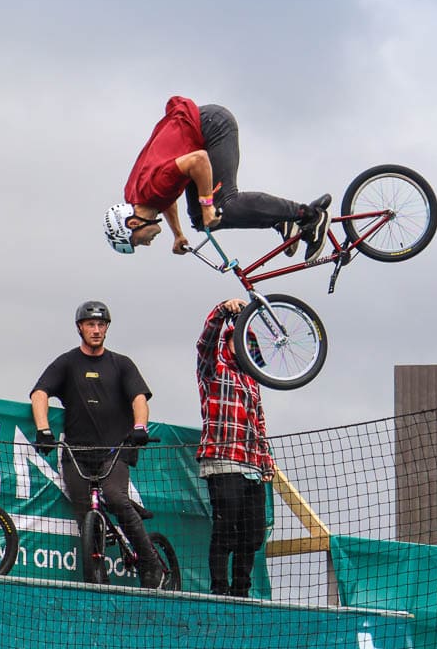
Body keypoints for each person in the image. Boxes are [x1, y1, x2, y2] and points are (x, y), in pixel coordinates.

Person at [29, 300, 163, 589]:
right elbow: (39, 393)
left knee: (115, 497)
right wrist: (44, 430)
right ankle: (96, 576)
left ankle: (150, 561)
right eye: (91, 324)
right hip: (76, 454)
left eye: (101, 325)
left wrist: (140, 427)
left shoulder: (121, 364)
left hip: (115, 451)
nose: (96, 329)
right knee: (85, 516)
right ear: (80, 327)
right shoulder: (67, 362)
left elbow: (139, 398)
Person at [103, 95, 332, 261]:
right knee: (202, 221)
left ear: (133, 224)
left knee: (224, 204)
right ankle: (282, 218)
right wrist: (178, 234)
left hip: (212, 127)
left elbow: (199, 160)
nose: (144, 244)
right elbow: (168, 197)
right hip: (198, 135)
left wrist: (207, 205)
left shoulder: (152, 187)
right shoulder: (142, 197)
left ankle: (310, 216)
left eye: (136, 241)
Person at [195, 298, 276, 597]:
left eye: (245, 343)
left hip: (252, 465)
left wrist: (266, 460)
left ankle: (241, 590)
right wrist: (222, 310)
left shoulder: (253, 382)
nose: (240, 347)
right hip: (223, 460)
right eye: (235, 341)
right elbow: (205, 343)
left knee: (253, 533)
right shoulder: (213, 371)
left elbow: (260, 424)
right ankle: (220, 589)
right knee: (226, 527)